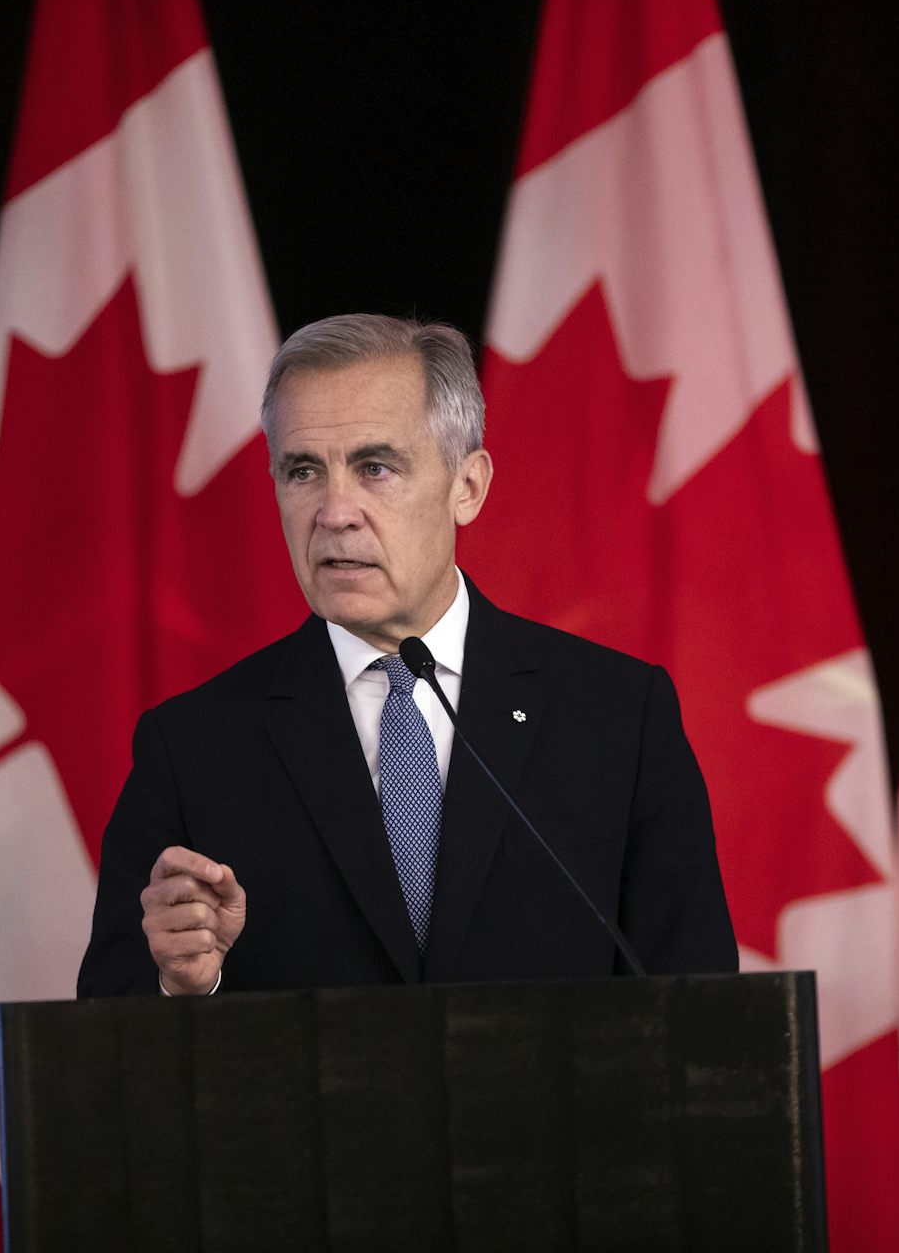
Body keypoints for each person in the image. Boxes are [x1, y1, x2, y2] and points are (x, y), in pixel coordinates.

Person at [75, 314, 735, 997]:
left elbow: (703, 1015)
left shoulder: (617, 719)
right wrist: (180, 988)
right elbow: (103, 1050)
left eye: (376, 468)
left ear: (467, 487)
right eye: (304, 471)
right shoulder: (193, 749)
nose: (334, 512)